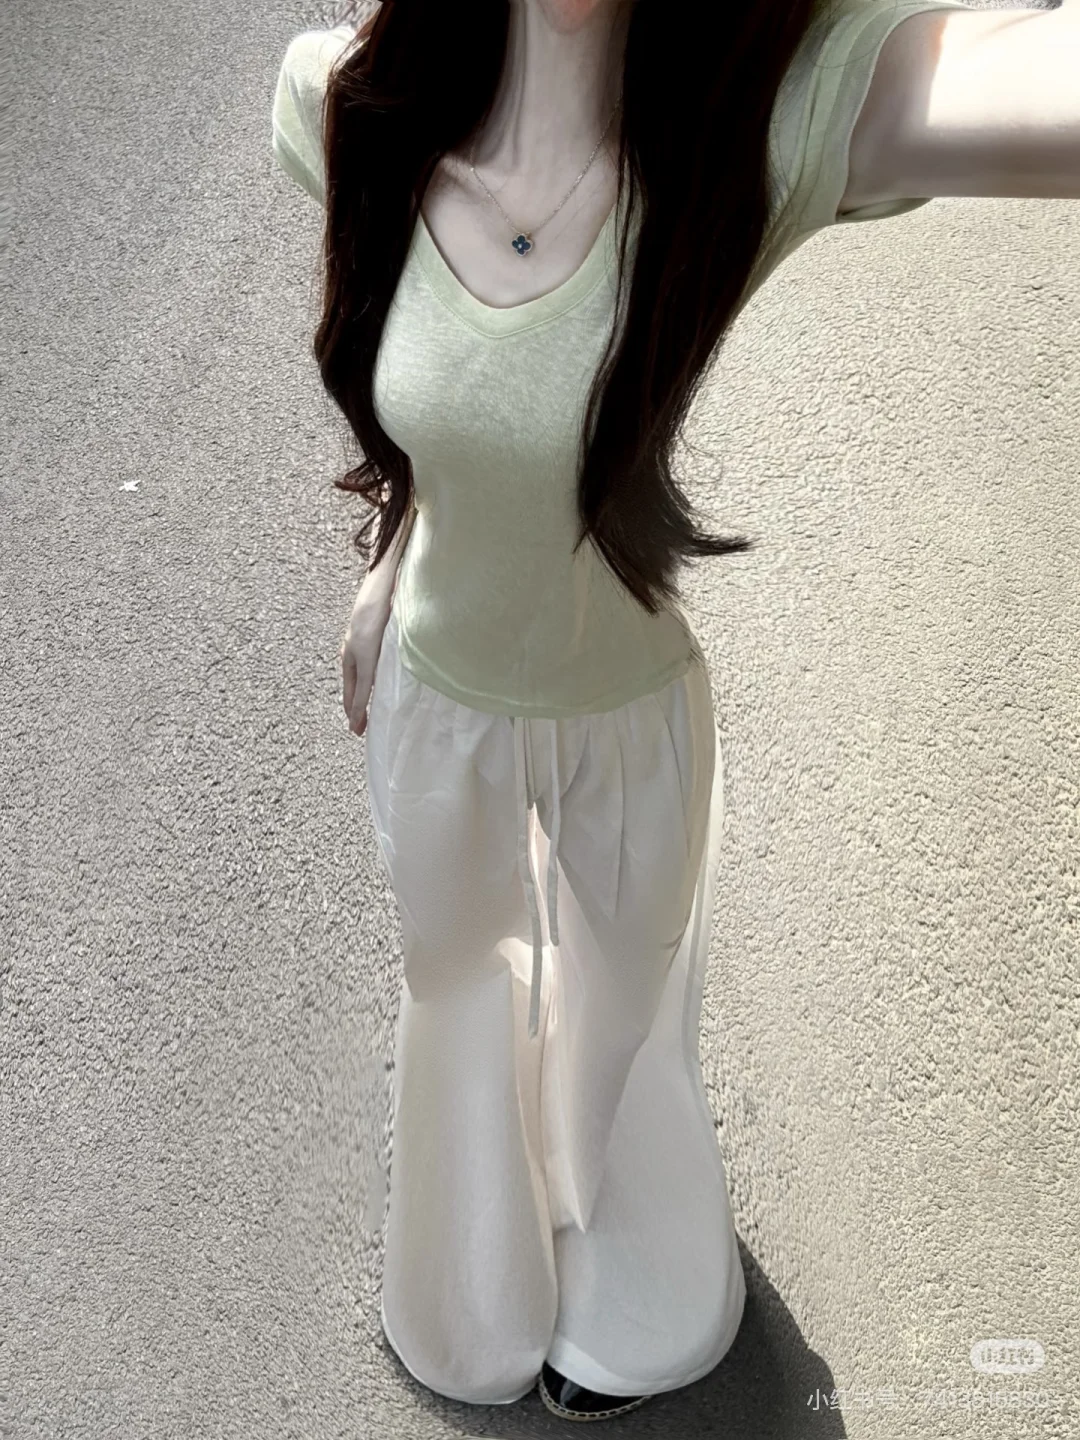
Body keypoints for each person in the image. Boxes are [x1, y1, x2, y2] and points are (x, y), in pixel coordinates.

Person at [271, 0, 1077, 1420]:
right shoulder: (348, 102)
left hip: (627, 710)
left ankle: (636, 1298)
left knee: (623, 1018)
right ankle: (473, 1288)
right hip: (436, 707)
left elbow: (1025, 87)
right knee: (457, 990)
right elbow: (441, 396)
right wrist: (393, 553)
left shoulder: (748, 131)